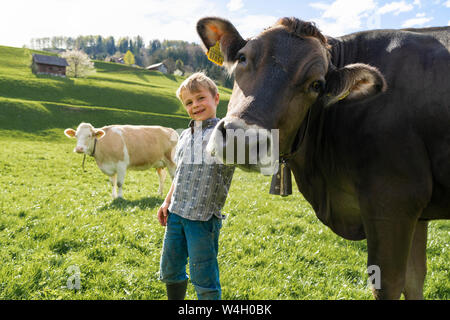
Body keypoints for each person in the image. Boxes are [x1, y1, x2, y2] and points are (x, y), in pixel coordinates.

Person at [157, 72, 235, 300]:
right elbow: (180, 172)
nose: (195, 105)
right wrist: (167, 200)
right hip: (176, 215)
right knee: (170, 270)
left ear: (216, 98)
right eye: (189, 102)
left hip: (202, 220)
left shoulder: (225, 133)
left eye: (201, 98)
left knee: (204, 279)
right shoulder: (184, 135)